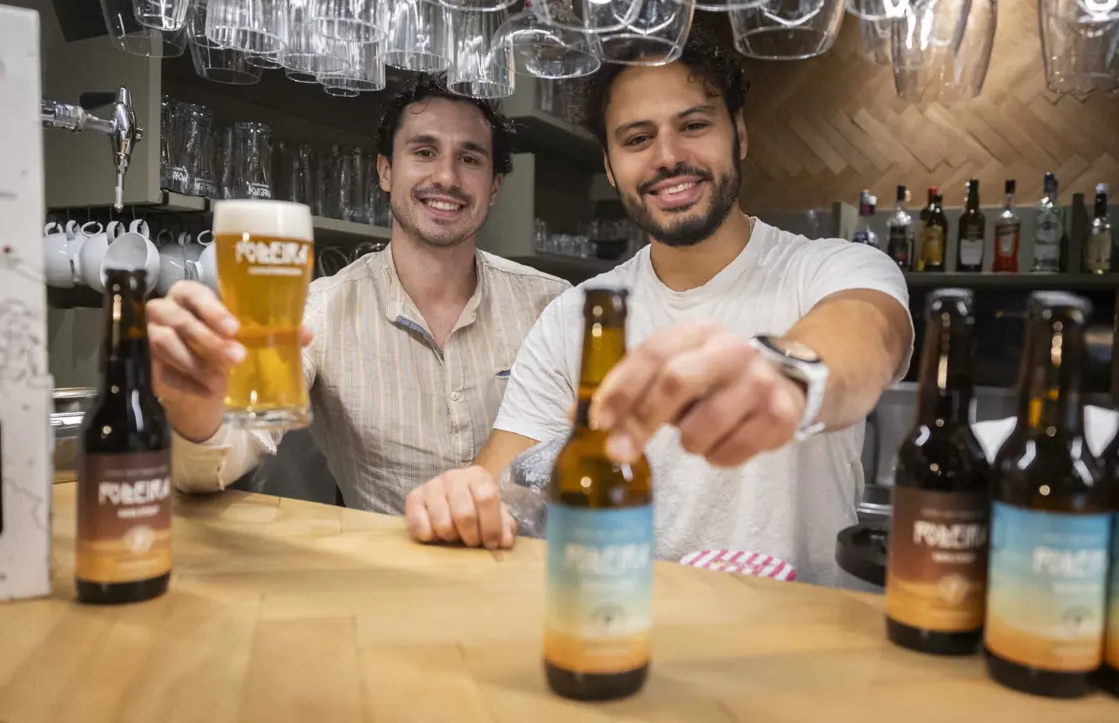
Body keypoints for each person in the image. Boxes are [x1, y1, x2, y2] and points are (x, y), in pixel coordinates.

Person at [404, 29, 914, 585]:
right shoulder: (577, 317)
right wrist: (469, 500)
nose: (669, 158)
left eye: (693, 125)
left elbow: (868, 334)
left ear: (738, 133)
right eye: (637, 138)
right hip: (629, 634)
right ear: (610, 162)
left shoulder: (831, 268)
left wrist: (790, 377)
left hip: (803, 648)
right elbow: (507, 484)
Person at [150, 73, 569, 528]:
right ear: (386, 170)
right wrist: (194, 410)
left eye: (469, 158)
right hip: (389, 585)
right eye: (424, 152)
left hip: (525, 576)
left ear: (493, 186)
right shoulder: (320, 310)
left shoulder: (550, 304)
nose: (446, 177)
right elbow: (213, 467)